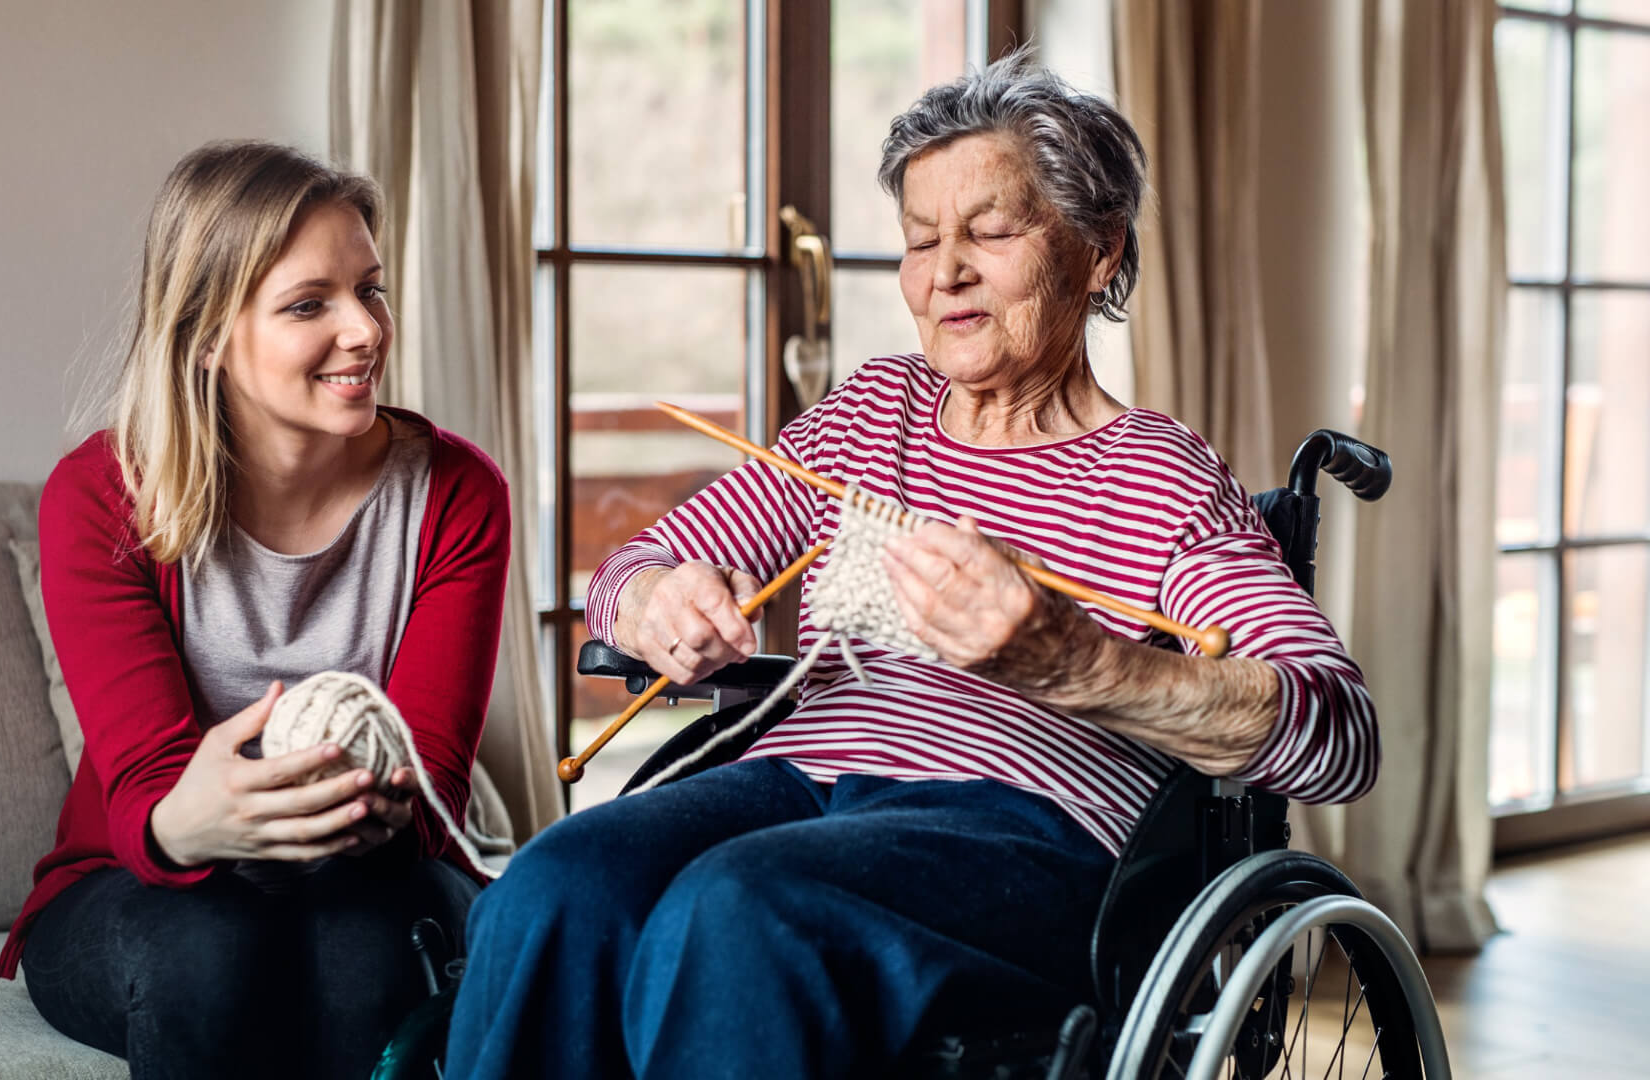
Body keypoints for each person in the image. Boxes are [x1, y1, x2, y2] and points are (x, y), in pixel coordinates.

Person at [444, 52, 1377, 1080]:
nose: (945, 275)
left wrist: (1073, 661)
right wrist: (660, 601)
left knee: (741, 912)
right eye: (921, 240)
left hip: (1023, 825)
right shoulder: (872, 414)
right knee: (553, 889)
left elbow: (1334, 732)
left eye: (990, 231)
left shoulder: (1157, 471)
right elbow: (637, 567)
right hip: (795, 782)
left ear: (1098, 253)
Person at [0, 140, 510, 1079]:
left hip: (371, 869)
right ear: (205, 336)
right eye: (310, 304)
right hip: (135, 879)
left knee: (367, 956)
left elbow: (433, 788)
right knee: (213, 953)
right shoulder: (102, 497)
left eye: (372, 289)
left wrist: (372, 809)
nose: (365, 330)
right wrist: (196, 819)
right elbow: (148, 791)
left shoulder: (456, 495)